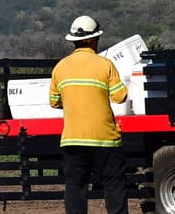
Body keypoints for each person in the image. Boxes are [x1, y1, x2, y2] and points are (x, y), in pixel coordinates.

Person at [48, 15, 128, 214]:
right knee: (114, 185)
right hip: (105, 139)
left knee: (75, 187)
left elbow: (54, 101)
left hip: (72, 140)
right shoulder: (105, 65)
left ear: (73, 41)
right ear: (94, 40)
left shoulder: (60, 68)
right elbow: (121, 96)